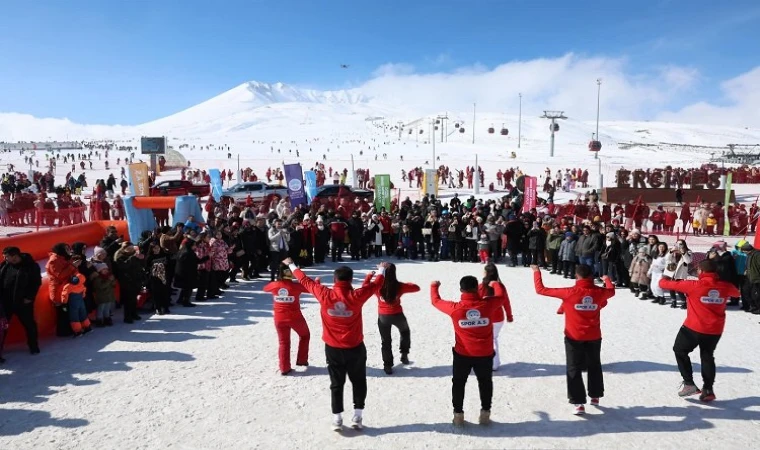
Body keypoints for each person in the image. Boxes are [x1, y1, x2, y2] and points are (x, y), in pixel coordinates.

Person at [284, 257, 387, 432]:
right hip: (355, 346)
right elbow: (376, 285)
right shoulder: (357, 295)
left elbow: (304, 280)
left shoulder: (324, 294)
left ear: (334, 280)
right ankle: (358, 415)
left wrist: (291, 264)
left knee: (336, 383)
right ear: (350, 280)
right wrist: (381, 269)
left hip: (332, 348)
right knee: (359, 381)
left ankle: (337, 418)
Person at [532, 264, 615, 415]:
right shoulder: (599, 292)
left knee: (574, 367)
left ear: (577, 276)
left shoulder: (569, 292)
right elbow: (611, 292)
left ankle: (578, 402)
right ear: (591, 276)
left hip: (573, 336)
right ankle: (595, 395)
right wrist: (607, 279)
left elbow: (541, 290)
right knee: (594, 364)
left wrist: (537, 272)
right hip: (594, 335)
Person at [660, 259, 740, 402]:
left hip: (693, 327)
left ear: (701, 272)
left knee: (679, 350)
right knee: (707, 356)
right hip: (715, 330)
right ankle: (708, 389)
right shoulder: (725, 286)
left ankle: (689, 383)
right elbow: (736, 293)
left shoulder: (693, 285)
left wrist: (668, 273)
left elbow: (663, 284)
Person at [431, 274, 506, 426]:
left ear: (461, 289)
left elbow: (436, 301)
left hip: (463, 354)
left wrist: (434, 287)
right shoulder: (487, 305)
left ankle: (458, 415)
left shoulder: (455, 308)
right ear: (476, 287)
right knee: (485, 382)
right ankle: (485, 413)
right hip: (484, 354)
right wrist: (495, 284)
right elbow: (501, 297)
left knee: (458, 383)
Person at [362, 263, 420, 374]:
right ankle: (404, 354)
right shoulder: (399, 286)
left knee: (386, 341)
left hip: (383, 317)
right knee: (405, 332)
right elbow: (416, 288)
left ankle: (387, 365)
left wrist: (370, 275)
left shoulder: (377, 286)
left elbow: (365, 286)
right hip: (398, 315)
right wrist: (407, 284)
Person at [263, 264, 310, 375]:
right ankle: (302, 360)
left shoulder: (273, 285)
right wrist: (316, 282)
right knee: (305, 335)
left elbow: (265, 288)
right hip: (295, 318)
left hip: (279, 319)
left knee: (283, 342)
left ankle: (284, 368)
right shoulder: (296, 286)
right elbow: (310, 288)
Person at [0, 246, 42, 355]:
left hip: (23, 303)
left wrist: (29, 298)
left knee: (29, 325)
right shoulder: (5, 265)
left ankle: (33, 346)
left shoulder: (31, 266)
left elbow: (36, 283)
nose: (4, 258)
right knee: (2, 327)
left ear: (14, 256)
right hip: (6, 302)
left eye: (6, 256)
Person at [479, 263, 513, 371]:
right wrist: (509, 315)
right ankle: (494, 362)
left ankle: (488, 362)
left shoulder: (481, 286)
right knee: (493, 339)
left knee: (485, 340)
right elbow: (506, 301)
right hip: (498, 318)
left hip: (485, 318)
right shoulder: (500, 286)